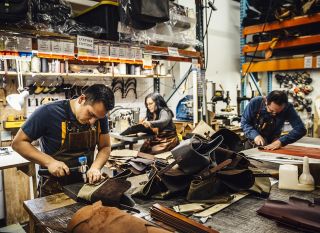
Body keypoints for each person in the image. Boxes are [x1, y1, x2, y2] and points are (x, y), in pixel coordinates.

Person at [12, 84, 115, 196]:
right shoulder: (48, 112)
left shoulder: (99, 116)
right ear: (82, 99)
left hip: (85, 186)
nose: (92, 122)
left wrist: (95, 167)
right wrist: (50, 162)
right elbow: (18, 143)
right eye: (90, 114)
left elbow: (105, 147)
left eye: (98, 118)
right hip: (53, 188)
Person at [241, 90, 306, 150]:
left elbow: (300, 129)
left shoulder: (288, 108)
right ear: (266, 101)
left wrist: (281, 141)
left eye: (278, 112)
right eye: (271, 111)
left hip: (274, 143)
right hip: (252, 142)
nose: (274, 114)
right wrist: (255, 135)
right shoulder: (255, 103)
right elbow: (245, 122)